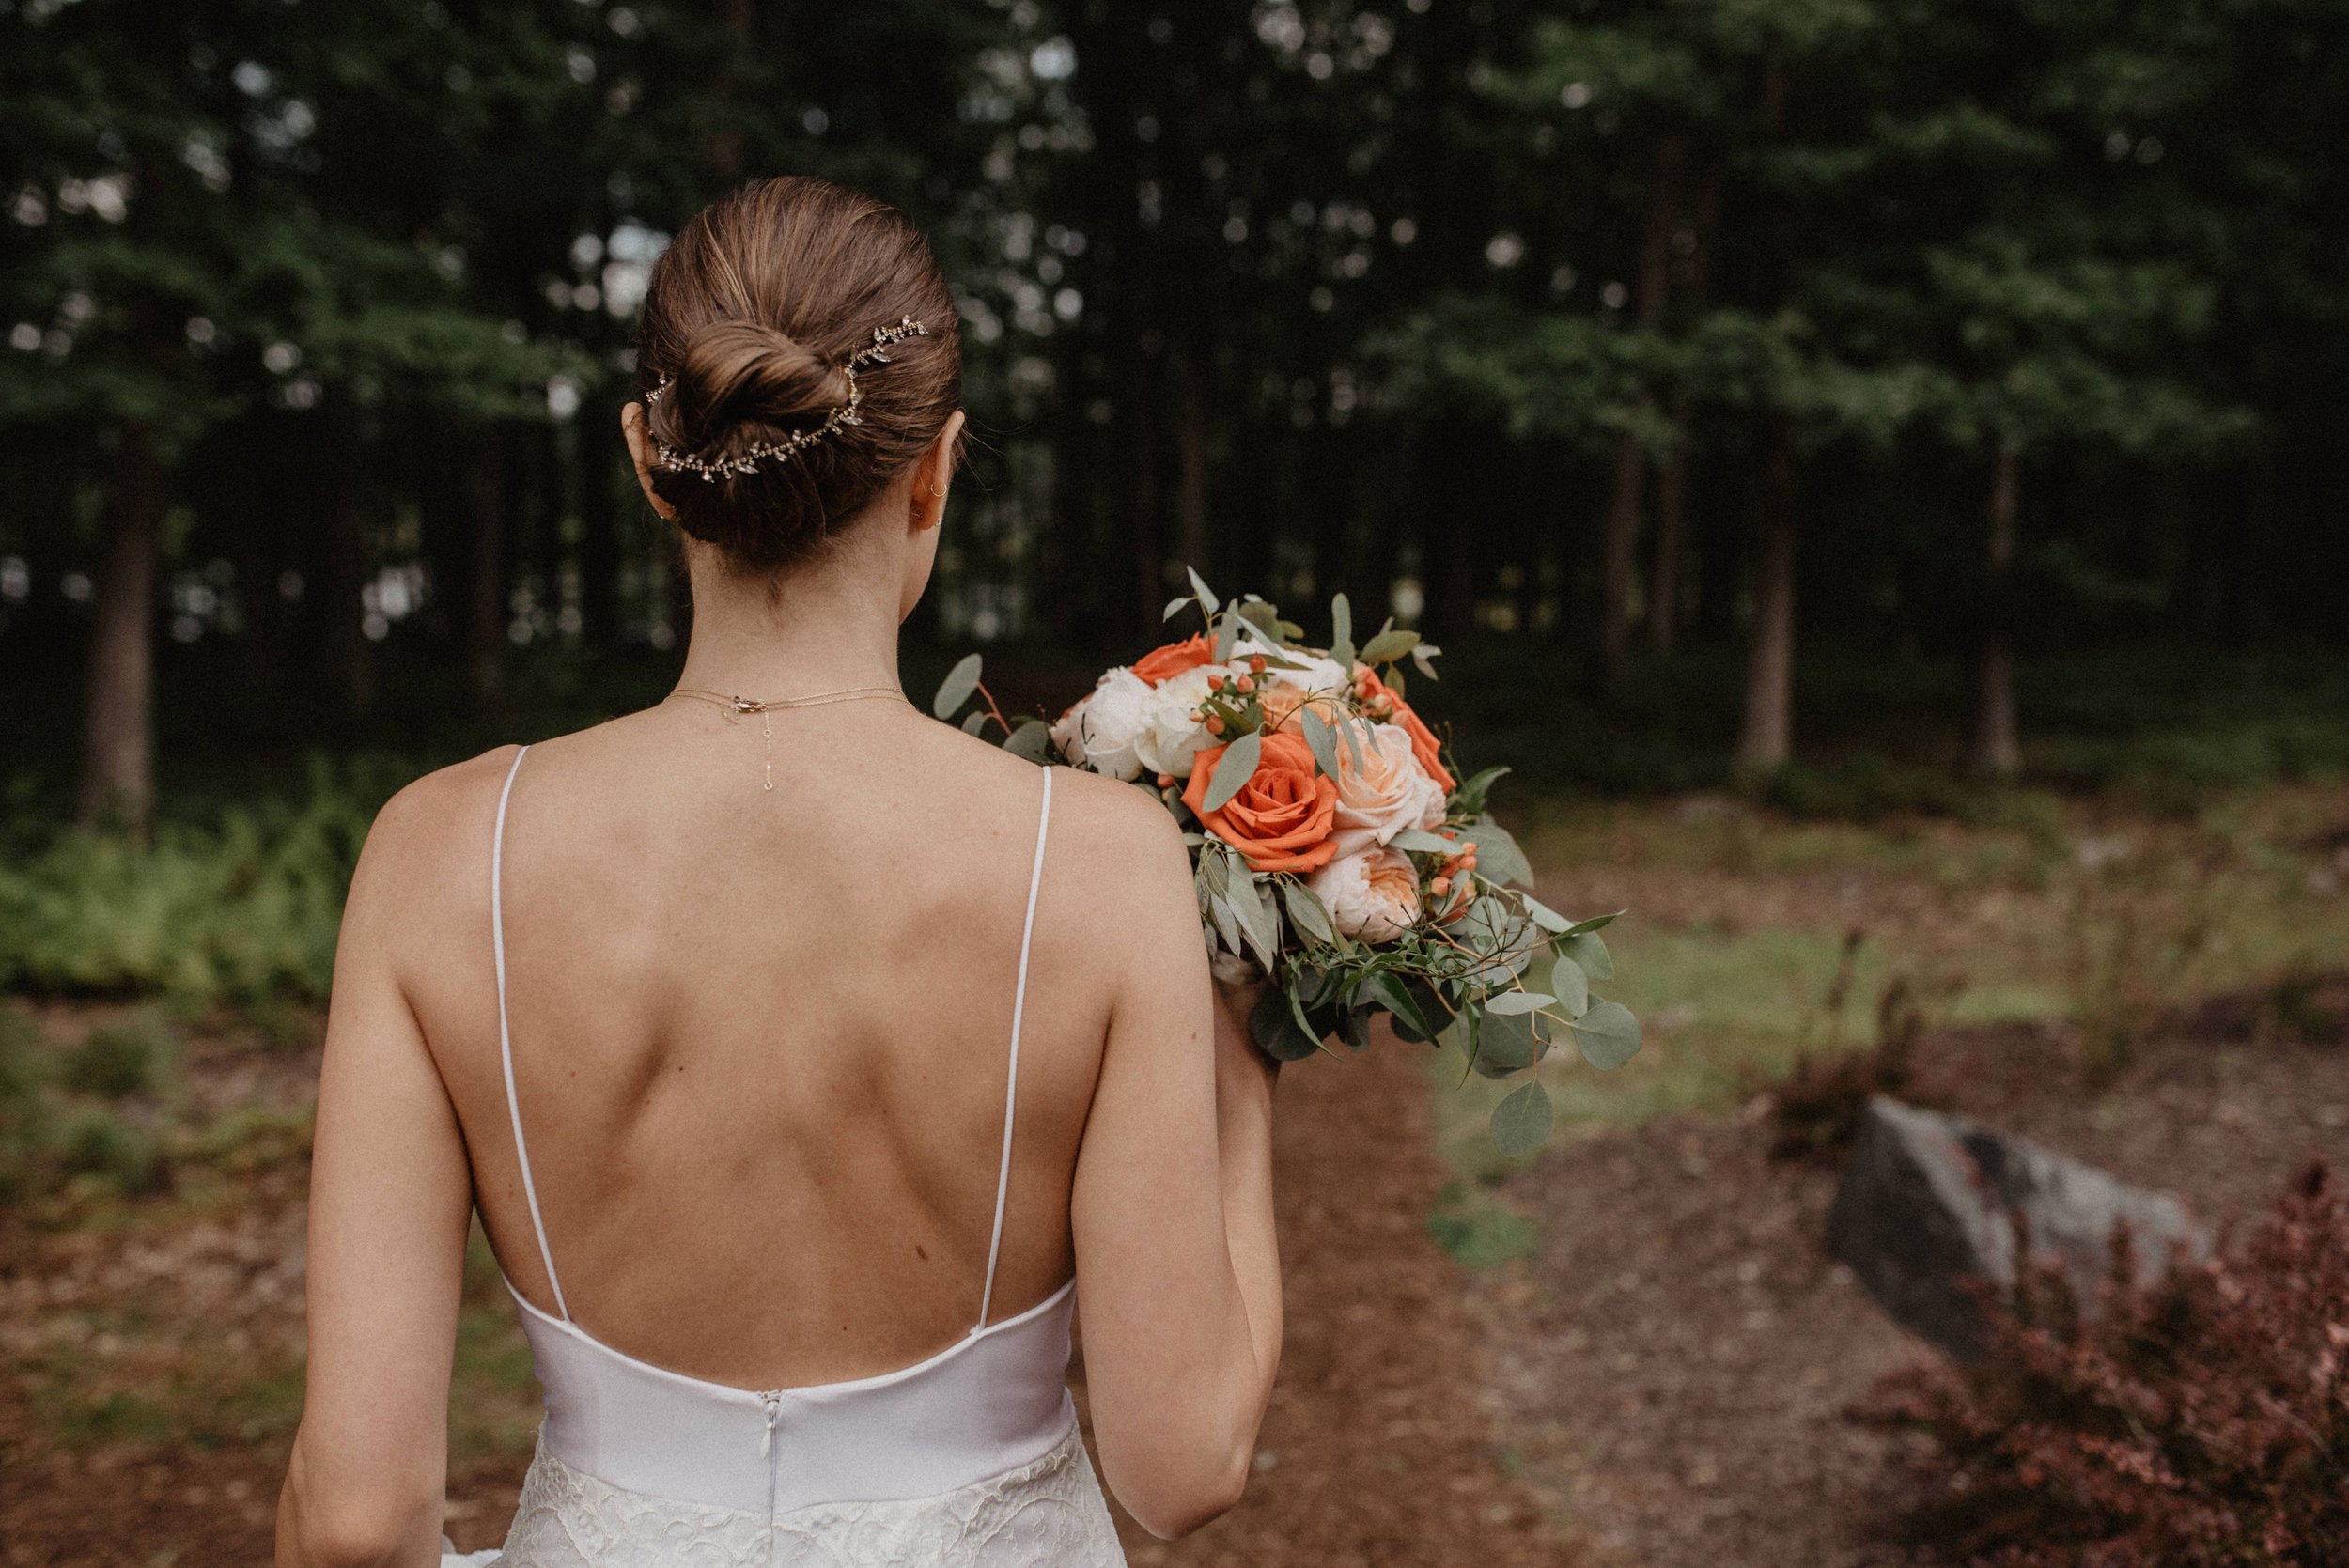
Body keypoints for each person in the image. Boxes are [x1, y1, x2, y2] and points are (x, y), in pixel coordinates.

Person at [275, 176, 1283, 1568]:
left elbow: (353, 1515)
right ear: (935, 468)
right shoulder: (1101, 867)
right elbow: (1184, 1465)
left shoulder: (440, 855)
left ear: (646, 453)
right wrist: (1243, 1074)